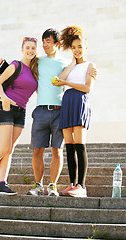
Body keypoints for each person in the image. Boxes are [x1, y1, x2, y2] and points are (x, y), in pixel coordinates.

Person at [27, 28, 96, 197]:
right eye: (74, 47)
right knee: (53, 148)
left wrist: (70, 75)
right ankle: (55, 185)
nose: (44, 45)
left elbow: (85, 85)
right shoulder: (43, 62)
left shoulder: (79, 65)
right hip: (53, 108)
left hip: (68, 108)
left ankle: (68, 186)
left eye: (48, 41)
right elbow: (56, 79)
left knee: (67, 148)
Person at [0, 37, 38, 195]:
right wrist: (3, 98)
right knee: (4, 147)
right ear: (22, 49)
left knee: (9, 150)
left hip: (21, 111)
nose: (30, 50)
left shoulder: (34, 70)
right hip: (6, 107)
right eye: (28, 47)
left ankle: (2, 183)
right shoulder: (15, 65)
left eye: (33, 48)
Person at [53, 25, 96, 197]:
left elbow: (87, 88)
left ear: (86, 47)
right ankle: (72, 184)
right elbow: (57, 81)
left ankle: (82, 186)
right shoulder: (70, 66)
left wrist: (67, 84)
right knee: (69, 146)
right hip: (67, 104)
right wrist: (71, 64)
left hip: (79, 102)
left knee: (79, 145)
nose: (77, 50)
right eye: (74, 47)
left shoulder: (90, 65)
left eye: (80, 47)